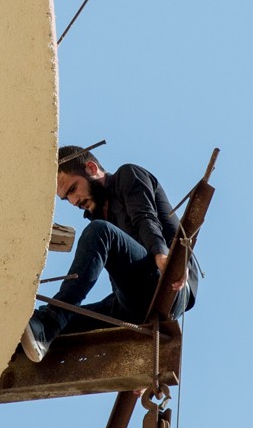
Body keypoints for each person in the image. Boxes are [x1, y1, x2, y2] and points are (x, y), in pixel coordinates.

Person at [21, 145, 198, 362]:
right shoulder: (99, 218)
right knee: (67, 323)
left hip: (167, 283)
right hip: (133, 304)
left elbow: (145, 218)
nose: (74, 201)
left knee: (99, 232)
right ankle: (36, 333)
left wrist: (163, 255)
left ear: (92, 168)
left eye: (73, 189)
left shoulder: (127, 176)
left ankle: (49, 323)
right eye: (67, 198)